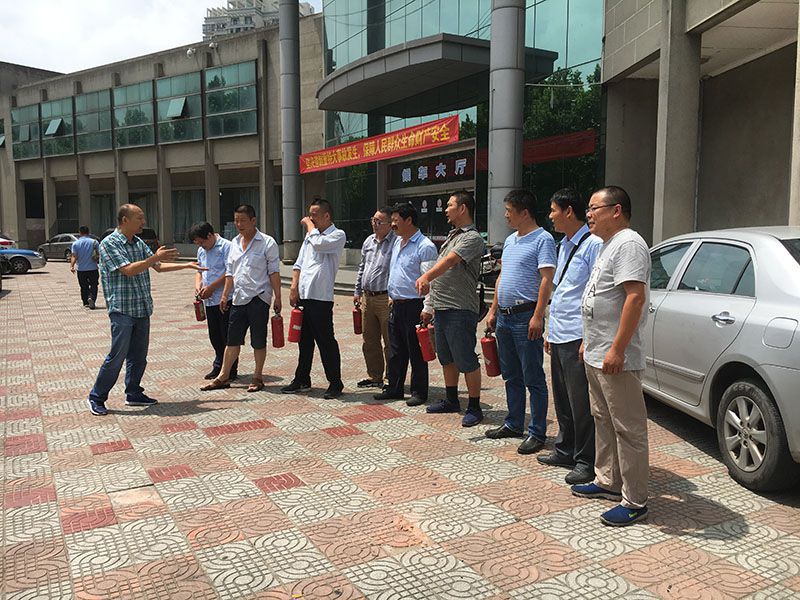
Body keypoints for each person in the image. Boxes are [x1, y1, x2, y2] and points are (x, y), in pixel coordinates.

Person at [571, 185, 652, 527]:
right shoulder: (608, 245)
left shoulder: (630, 243)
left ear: (616, 210)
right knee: (602, 419)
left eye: (594, 208)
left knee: (628, 428)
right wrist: (588, 342)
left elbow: (635, 298)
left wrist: (617, 348)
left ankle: (635, 501)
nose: (588, 214)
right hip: (597, 351)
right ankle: (607, 481)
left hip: (616, 357)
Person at [87, 204, 205, 416]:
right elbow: (129, 270)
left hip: (141, 308)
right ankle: (97, 396)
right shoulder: (109, 244)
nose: (144, 222)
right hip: (122, 309)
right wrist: (154, 258)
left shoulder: (138, 242)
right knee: (117, 356)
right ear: (125, 220)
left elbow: (157, 267)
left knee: (139, 356)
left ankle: (133, 393)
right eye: (139, 218)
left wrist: (187, 266)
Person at [538, 189, 602, 484]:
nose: (550, 216)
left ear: (568, 211)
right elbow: (562, 290)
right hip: (560, 333)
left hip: (578, 336)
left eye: (554, 210)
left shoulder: (593, 245)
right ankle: (565, 449)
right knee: (563, 398)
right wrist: (550, 331)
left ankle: (586, 460)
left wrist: (588, 338)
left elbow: (595, 294)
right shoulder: (563, 245)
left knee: (582, 403)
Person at [484, 189, 556, 454]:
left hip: (526, 317)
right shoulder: (511, 240)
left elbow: (546, 279)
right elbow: (502, 277)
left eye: (509, 211)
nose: (505, 216)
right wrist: (493, 310)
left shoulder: (543, 239)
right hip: (504, 317)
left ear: (524, 213)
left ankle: (537, 432)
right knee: (511, 374)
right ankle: (514, 423)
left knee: (533, 376)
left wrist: (538, 315)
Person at [415, 190, 486, 427]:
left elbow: (449, 261)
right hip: (442, 307)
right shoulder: (452, 236)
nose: (445, 210)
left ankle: (474, 406)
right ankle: (452, 399)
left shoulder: (472, 238)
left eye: (449, 205)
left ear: (462, 208)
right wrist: (430, 303)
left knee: (466, 358)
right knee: (446, 357)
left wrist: (426, 276)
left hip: (460, 308)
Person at [200, 205, 281, 393]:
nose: (239, 224)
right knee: (232, 340)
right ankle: (223, 376)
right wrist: (225, 294)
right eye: (236, 220)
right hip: (238, 298)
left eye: (242, 220)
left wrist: (278, 296)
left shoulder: (267, 242)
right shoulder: (234, 243)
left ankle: (257, 376)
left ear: (253, 221)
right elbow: (230, 273)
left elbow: (274, 272)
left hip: (259, 298)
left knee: (258, 340)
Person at [281, 199, 347, 399]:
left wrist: (309, 226)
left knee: (326, 342)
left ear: (327, 216)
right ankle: (302, 379)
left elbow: (319, 245)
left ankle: (335, 383)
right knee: (304, 342)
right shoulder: (310, 237)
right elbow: (299, 264)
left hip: (321, 298)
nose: (311, 218)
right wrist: (294, 287)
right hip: (304, 296)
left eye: (314, 215)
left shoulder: (337, 235)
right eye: (310, 215)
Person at [374, 203, 437, 406]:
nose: (392, 225)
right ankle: (394, 388)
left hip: (415, 305)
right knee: (396, 350)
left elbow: (430, 281)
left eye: (395, 220)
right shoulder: (397, 243)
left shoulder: (425, 246)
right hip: (397, 304)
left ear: (408, 220)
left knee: (416, 351)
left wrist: (428, 308)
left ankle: (419, 391)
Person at [189, 221, 238, 382]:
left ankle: (230, 369)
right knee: (214, 335)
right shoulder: (201, 251)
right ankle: (218, 365)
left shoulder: (226, 247)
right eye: (198, 244)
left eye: (202, 242)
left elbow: (230, 272)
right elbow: (199, 270)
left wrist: (212, 287)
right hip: (209, 300)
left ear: (210, 235)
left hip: (225, 298)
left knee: (226, 336)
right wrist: (198, 286)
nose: (201, 246)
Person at [353, 207, 396, 389]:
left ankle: (391, 378)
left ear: (389, 224)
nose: (374, 224)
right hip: (367, 297)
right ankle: (375, 376)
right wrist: (357, 291)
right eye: (373, 220)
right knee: (369, 340)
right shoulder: (368, 241)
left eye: (379, 222)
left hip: (385, 297)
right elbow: (362, 267)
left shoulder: (395, 242)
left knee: (389, 341)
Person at [70, 226, 100, 309]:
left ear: (80, 233)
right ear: (88, 232)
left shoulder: (76, 243)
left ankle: (86, 302)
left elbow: (74, 256)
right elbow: (99, 254)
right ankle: (92, 298)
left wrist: (72, 266)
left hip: (81, 269)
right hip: (93, 268)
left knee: (83, 286)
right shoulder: (95, 242)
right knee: (94, 285)